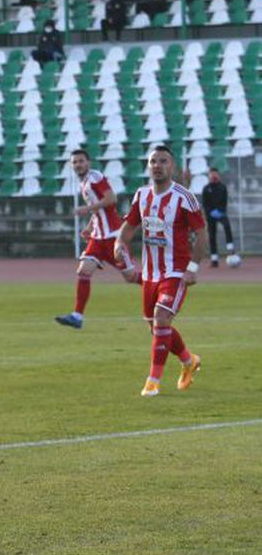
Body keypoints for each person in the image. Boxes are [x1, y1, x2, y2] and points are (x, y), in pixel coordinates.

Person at [114, 144, 206, 397]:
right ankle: (189, 361)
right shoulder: (141, 196)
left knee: (162, 318)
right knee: (155, 327)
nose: (158, 165)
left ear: (172, 166)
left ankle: (153, 381)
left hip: (175, 272)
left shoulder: (184, 197)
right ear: (148, 166)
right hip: (150, 273)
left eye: (163, 161)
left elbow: (201, 233)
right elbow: (124, 234)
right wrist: (126, 264)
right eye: (153, 161)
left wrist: (192, 269)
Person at [55, 149, 139, 330]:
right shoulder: (84, 183)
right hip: (98, 238)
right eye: (75, 162)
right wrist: (89, 228)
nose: (78, 165)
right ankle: (77, 316)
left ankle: (164, 289)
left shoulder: (95, 178)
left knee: (131, 277)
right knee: (83, 271)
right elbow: (98, 212)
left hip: (113, 237)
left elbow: (111, 198)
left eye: (81, 161)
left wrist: (87, 209)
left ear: (88, 162)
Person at [200, 168, 237, 267]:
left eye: (215, 174)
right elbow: (205, 204)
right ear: (209, 176)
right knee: (212, 236)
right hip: (210, 215)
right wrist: (210, 212)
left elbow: (224, 202)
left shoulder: (222, 187)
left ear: (218, 175)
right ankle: (214, 259)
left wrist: (220, 211)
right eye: (212, 175)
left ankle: (230, 248)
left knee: (227, 225)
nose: (214, 176)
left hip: (220, 213)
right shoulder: (206, 188)